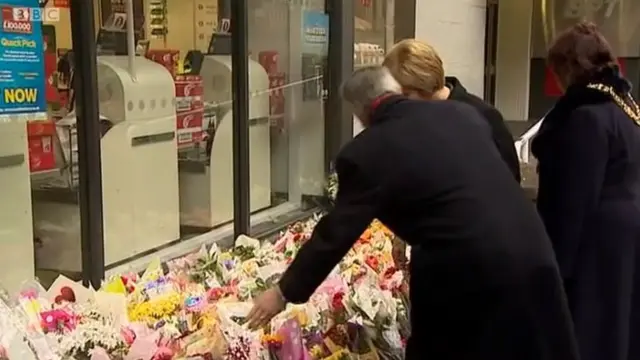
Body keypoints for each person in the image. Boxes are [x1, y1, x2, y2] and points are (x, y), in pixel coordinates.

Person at [246, 65, 578, 359]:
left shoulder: (367, 151)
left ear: (359, 112)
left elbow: (335, 233)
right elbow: (452, 186)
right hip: (532, 247)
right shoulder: (461, 114)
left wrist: (283, 291)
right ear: (397, 90)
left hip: (468, 269)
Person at [531, 21, 640, 360]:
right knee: (617, 326)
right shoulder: (626, 108)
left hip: (596, 242)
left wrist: (554, 269)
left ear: (569, 68)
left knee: (591, 330)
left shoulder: (586, 117)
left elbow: (573, 200)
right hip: (624, 238)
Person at [383, 39, 521, 183]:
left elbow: (508, 180)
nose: (397, 103)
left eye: (404, 95)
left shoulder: (483, 117)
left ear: (423, 86)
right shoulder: (411, 118)